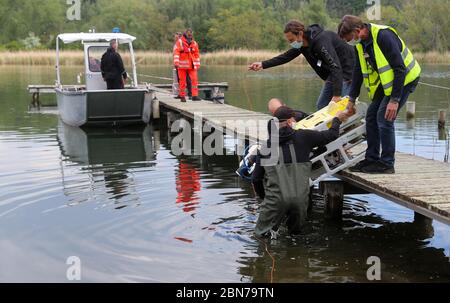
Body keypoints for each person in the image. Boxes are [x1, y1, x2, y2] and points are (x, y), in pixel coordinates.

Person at [338, 15, 421, 174]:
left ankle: (387, 163)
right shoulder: (360, 44)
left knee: (384, 117)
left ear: (358, 30)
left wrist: (394, 100)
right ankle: (372, 159)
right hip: (387, 84)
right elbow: (357, 72)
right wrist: (351, 98)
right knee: (371, 116)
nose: (350, 42)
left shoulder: (383, 36)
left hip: (406, 79)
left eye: (350, 39)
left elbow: (399, 69)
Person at [252, 106, 348, 237]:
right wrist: (337, 119)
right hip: (300, 201)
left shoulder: (266, 147)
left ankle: (266, 256)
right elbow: (331, 135)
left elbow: (256, 179)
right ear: (290, 122)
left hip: (275, 201)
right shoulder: (304, 136)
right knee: (295, 236)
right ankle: (296, 254)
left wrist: (264, 199)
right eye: (294, 119)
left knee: (261, 236)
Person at [249, 20, 355, 110]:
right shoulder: (302, 45)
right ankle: (331, 132)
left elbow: (335, 66)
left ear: (300, 34)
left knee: (342, 106)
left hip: (348, 70)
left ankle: (350, 128)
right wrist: (262, 64)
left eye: (291, 40)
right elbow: (286, 57)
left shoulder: (320, 41)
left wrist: (336, 95)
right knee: (321, 106)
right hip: (334, 73)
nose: (291, 43)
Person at [173, 29, 201, 102]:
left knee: (194, 80)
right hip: (181, 66)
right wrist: (176, 62)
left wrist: (197, 64)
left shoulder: (194, 43)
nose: (190, 35)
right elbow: (176, 52)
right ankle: (182, 96)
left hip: (192, 65)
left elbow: (197, 54)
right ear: (186, 34)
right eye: (189, 34)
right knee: (182, 81)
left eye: (191, 34)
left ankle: (195, 96)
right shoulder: (180, 42)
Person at [173, 32, 192, 99]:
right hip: (180, 64)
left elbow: (181, 53)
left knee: (186, 79)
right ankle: (181, 94)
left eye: (176, 37)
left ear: (179, 36)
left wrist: (177, 63)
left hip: (183, 65)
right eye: (174, 37)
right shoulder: (178, 43)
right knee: (180, 80)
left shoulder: (181, 42)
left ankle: (189, 94)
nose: (175, 38)